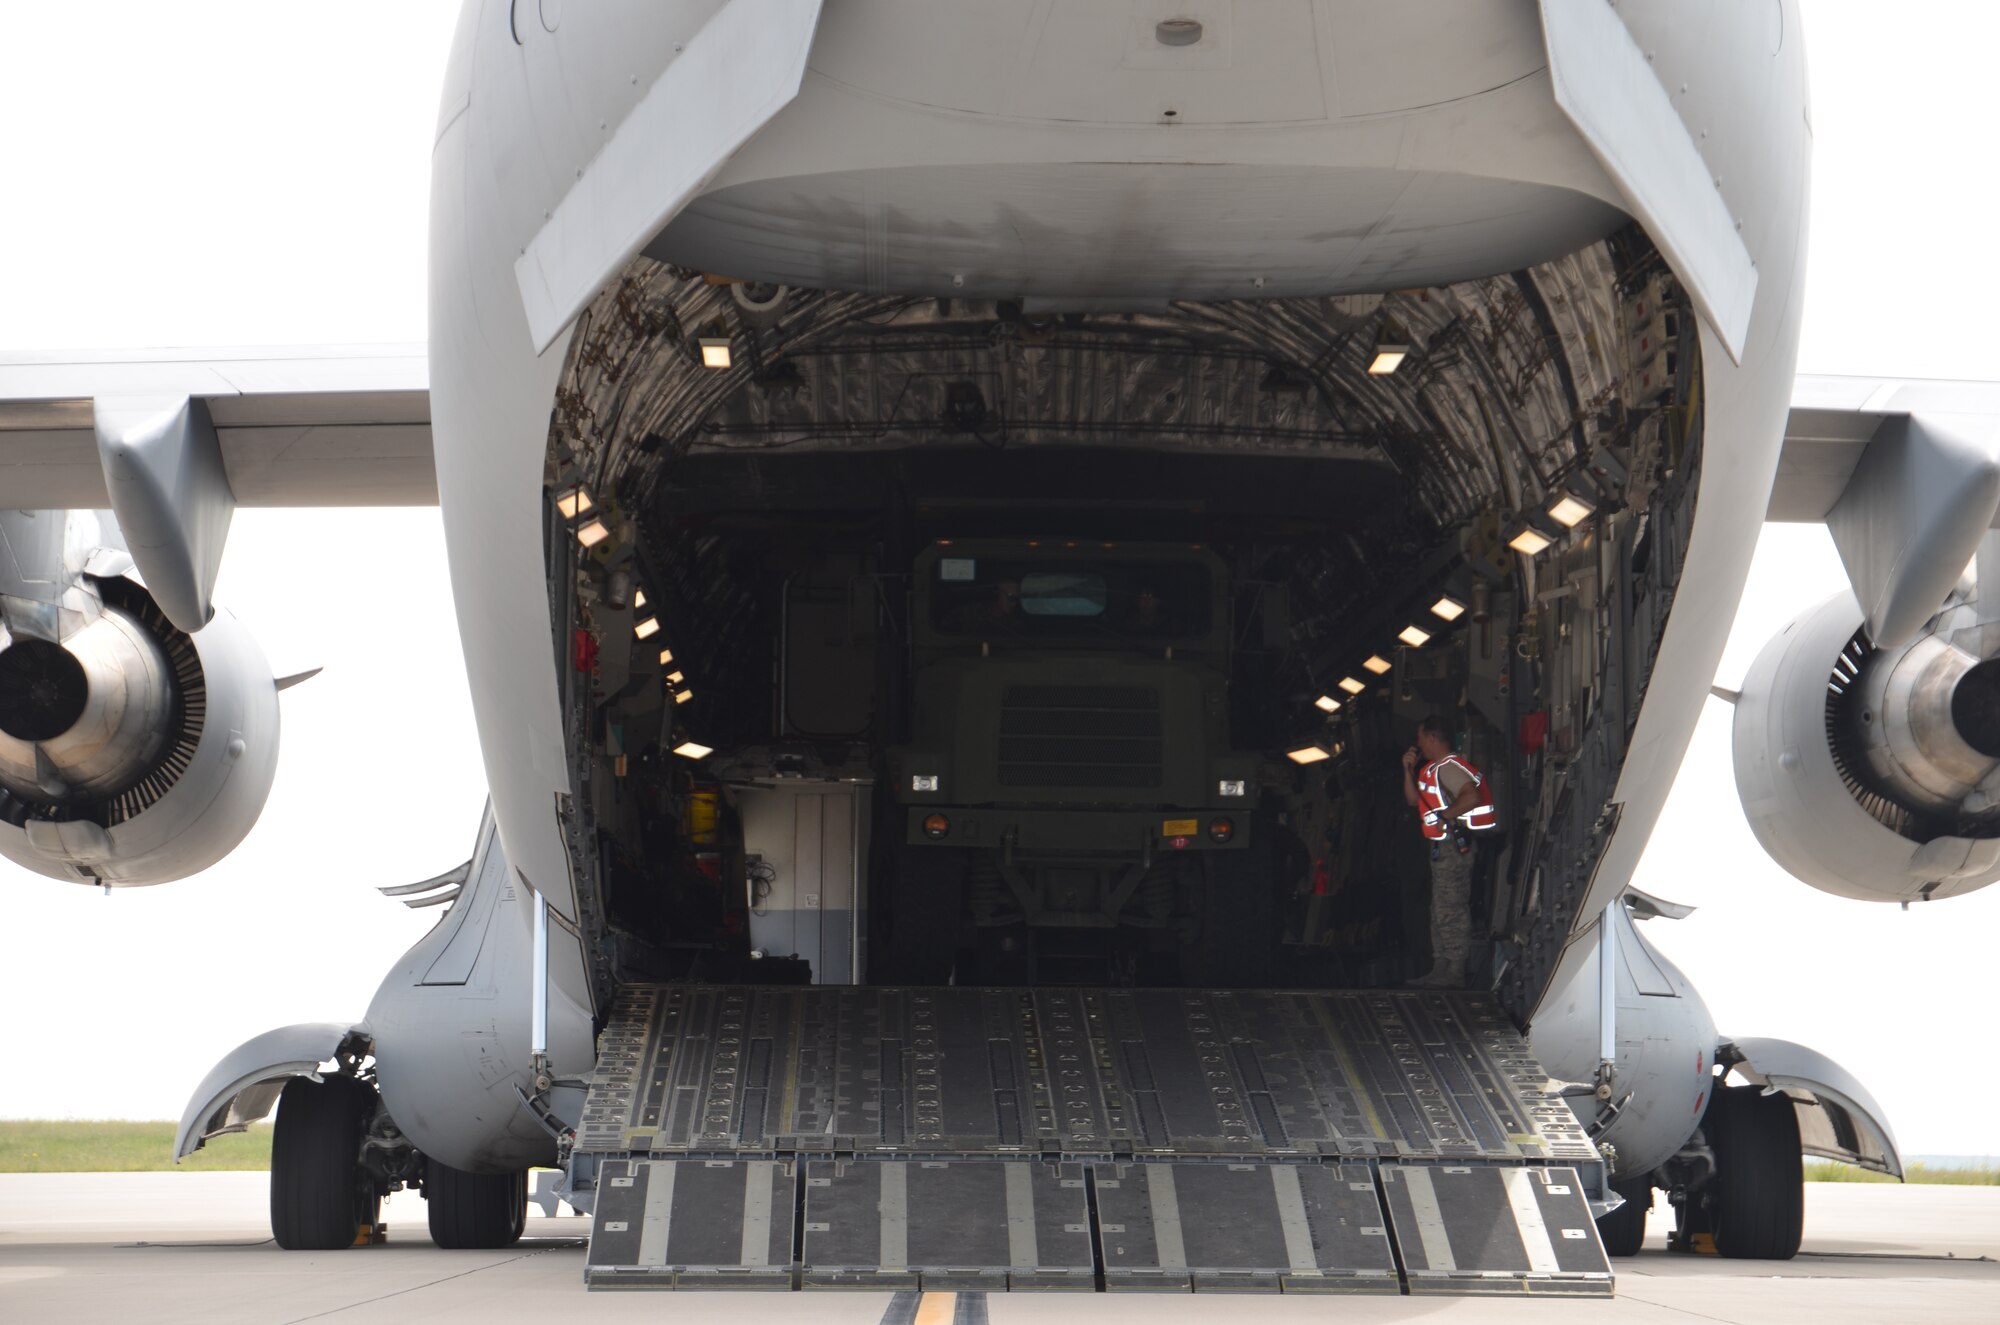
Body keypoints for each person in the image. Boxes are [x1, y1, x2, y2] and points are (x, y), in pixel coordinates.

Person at [1399, 715, 1497, 987]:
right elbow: (1411, 799)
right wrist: (1407, 770)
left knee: (1451, 906)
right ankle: (1441, 966)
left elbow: (1471, 795)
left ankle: (1454, 970)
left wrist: (1446, 817)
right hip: (1442, 848)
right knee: (1439, 907)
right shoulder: (1430, 769)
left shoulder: (1449, 768)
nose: (1417, 744)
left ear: (1432, 739)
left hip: (1453, 847)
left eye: (1420, 738)